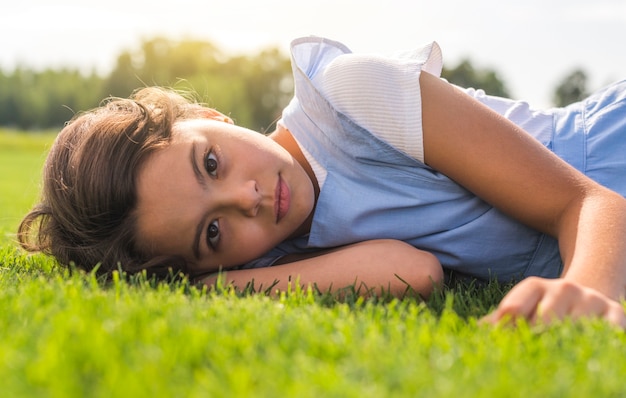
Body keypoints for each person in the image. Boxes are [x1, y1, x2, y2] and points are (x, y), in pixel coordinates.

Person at [18, 36, 626, 328]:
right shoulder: (279, 253)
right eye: (212, 232)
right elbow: (413, 272)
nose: (248, 200)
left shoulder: (352, 96)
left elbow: (587, 200)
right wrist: (218, 286)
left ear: (206, 118)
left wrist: (590, 293)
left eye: (210, 163)